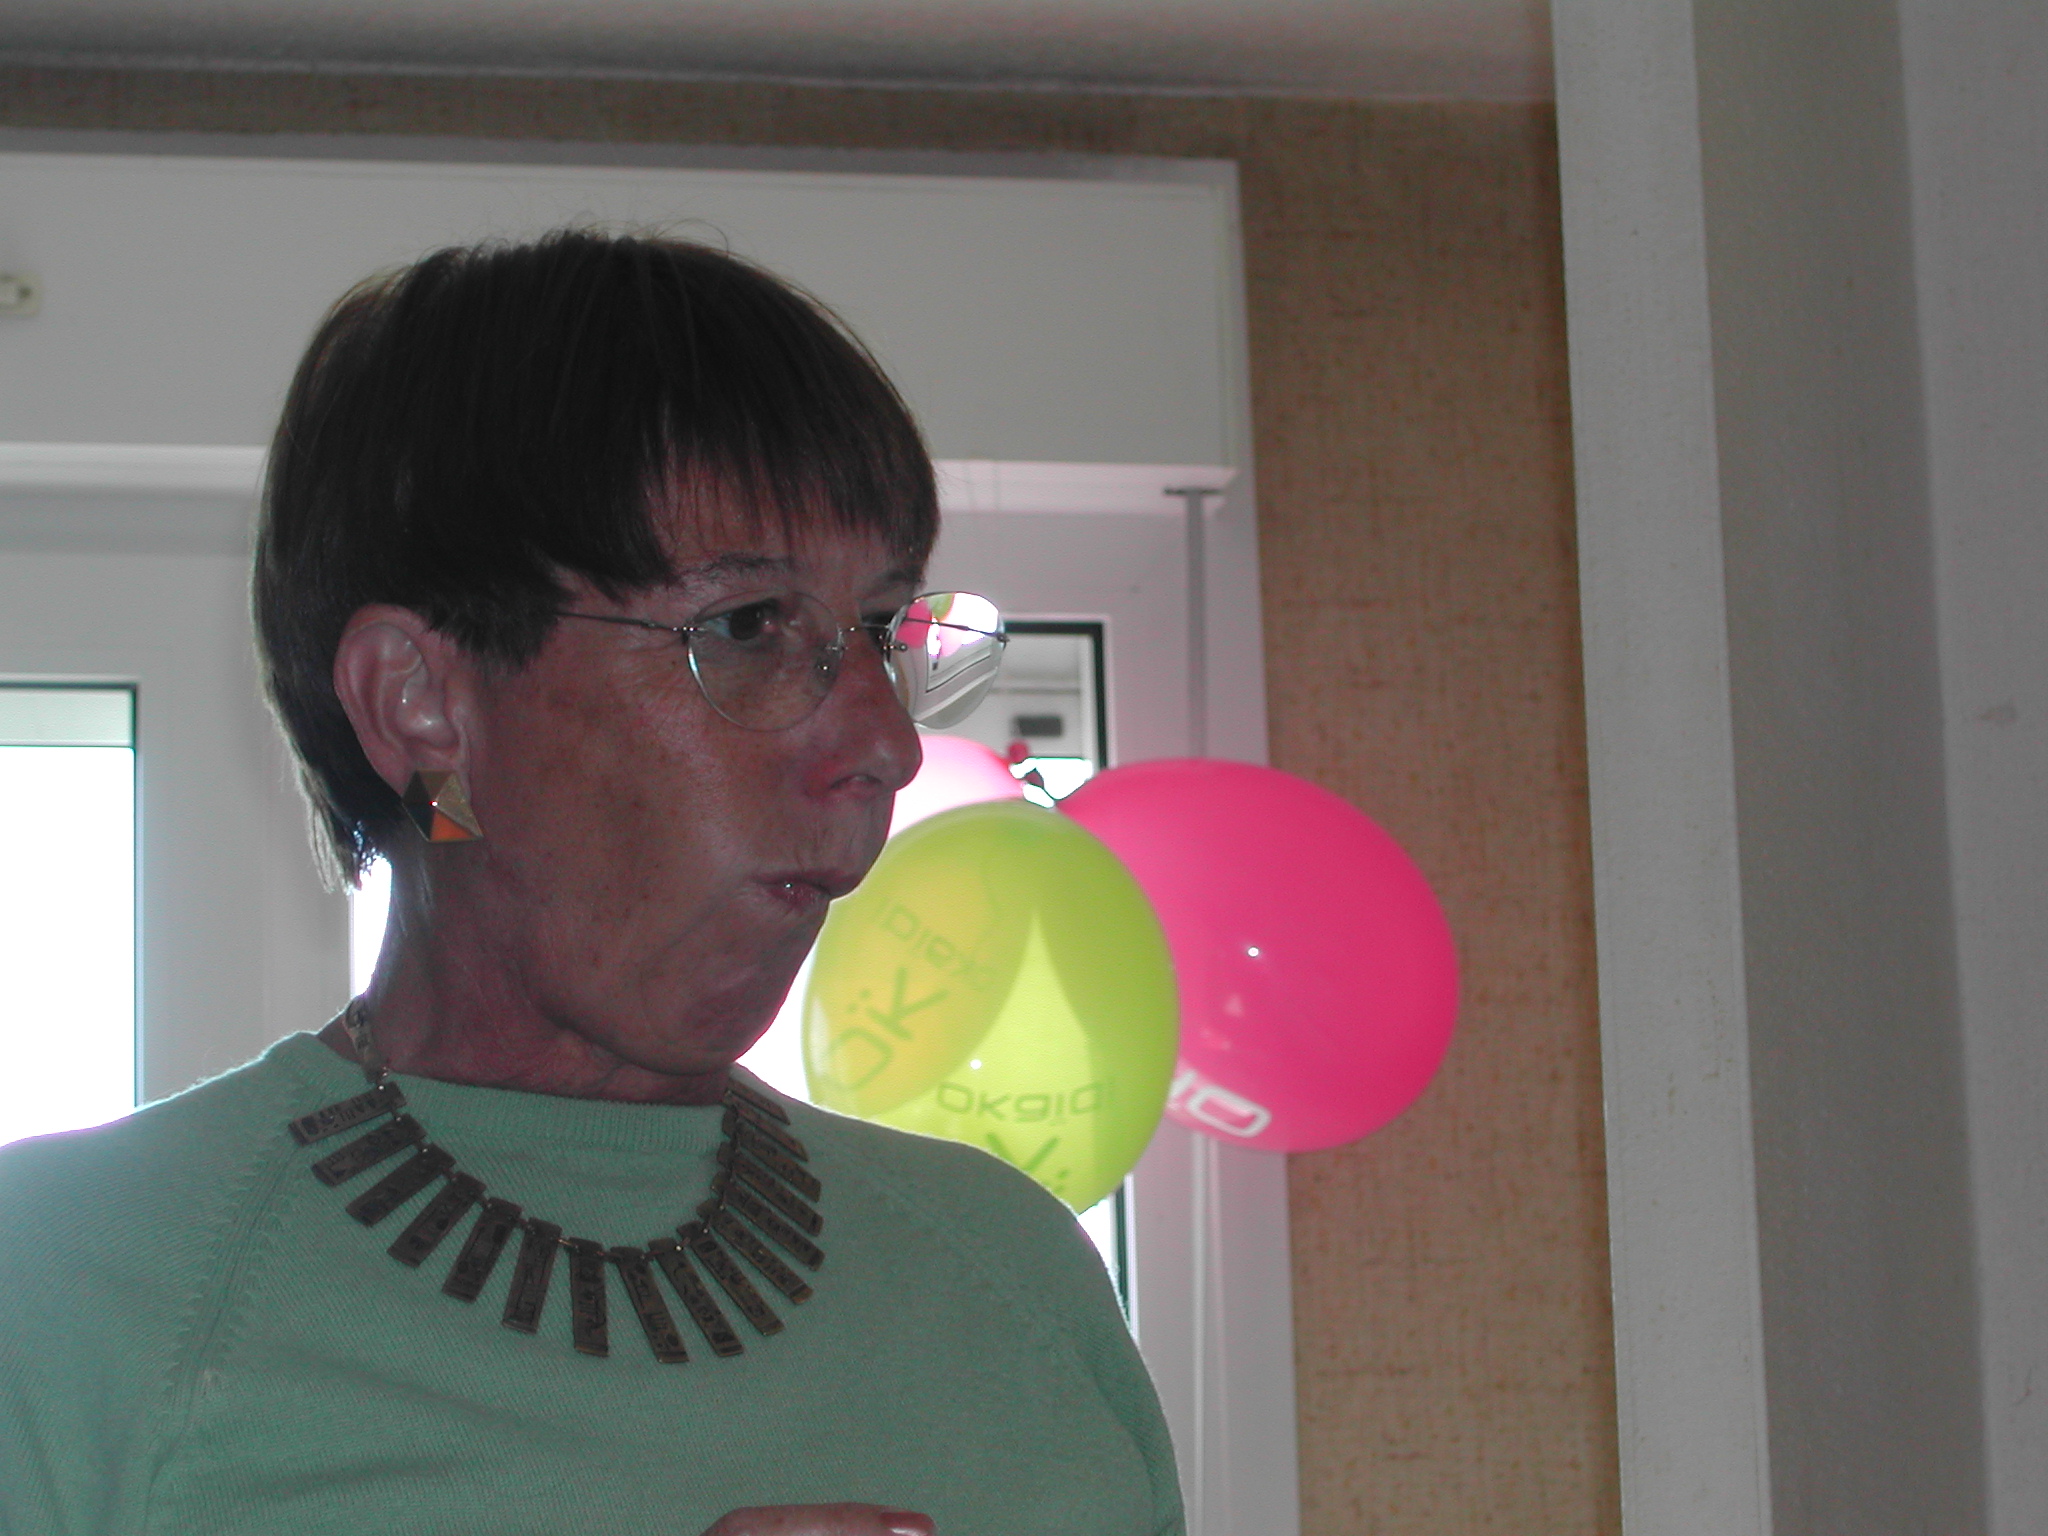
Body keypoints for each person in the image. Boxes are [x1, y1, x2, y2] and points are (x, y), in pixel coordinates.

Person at [0, 230, 1182, 1536]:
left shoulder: (1015, 1282)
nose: (886, 743)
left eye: (880, 632)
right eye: (747, 625)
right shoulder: (61, 1292)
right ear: (421, 701)